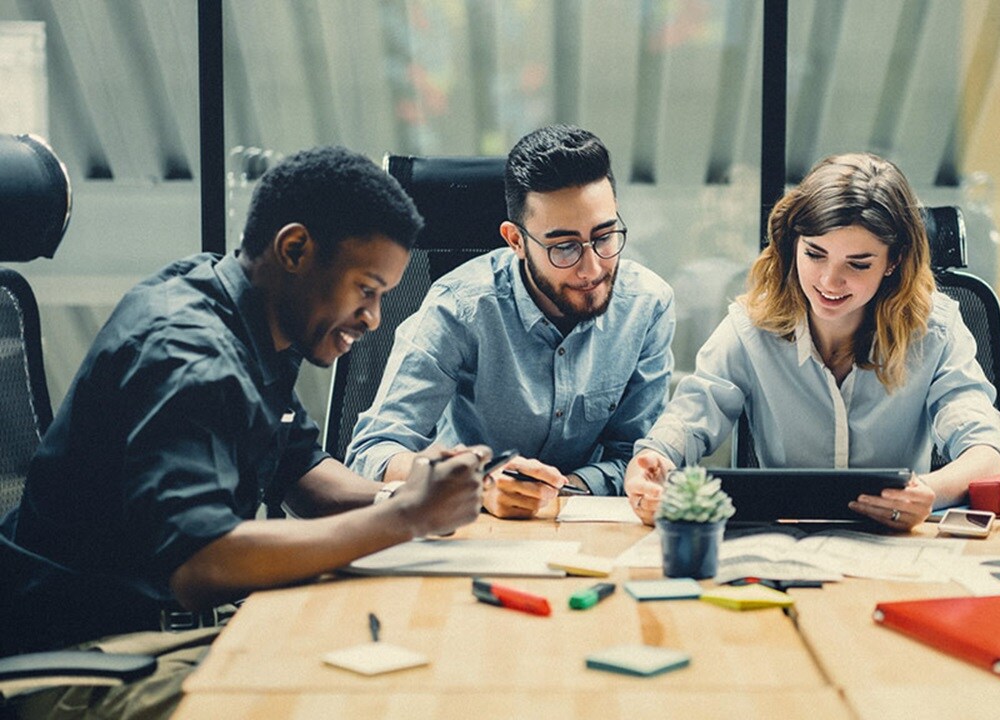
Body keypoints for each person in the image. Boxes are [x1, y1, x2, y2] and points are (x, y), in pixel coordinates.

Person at [0, 146, 487, 718]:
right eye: (366, 289)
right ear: (295, 249)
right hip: (87, 655)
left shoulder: (250, 317)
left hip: (170, 632)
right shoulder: (189, 353)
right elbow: (204, 562)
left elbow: (302, 473)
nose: (374, 318)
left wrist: (416, 495)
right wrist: (405, 519)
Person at [624, 153, 1000, 527]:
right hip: (782, 540)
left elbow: (986, 452)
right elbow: (690, 418)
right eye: (815, 254)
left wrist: (927, 492)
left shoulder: (934, 329)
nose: (828, 281)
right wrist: (656, 457)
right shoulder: (750, 326)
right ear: (794, 244)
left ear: (893, 261)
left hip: (894, 544)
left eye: (857, 264)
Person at [345, 125, 675, 520]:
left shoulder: (648, 305)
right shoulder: (460, 308)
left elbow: (634, 454)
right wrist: (476, 483)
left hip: (584, 525)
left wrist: (566, 488)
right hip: (472, 527)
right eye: (564, 247)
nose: (592, 269)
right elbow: (372, 450)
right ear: (515, 240)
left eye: (604, 236)